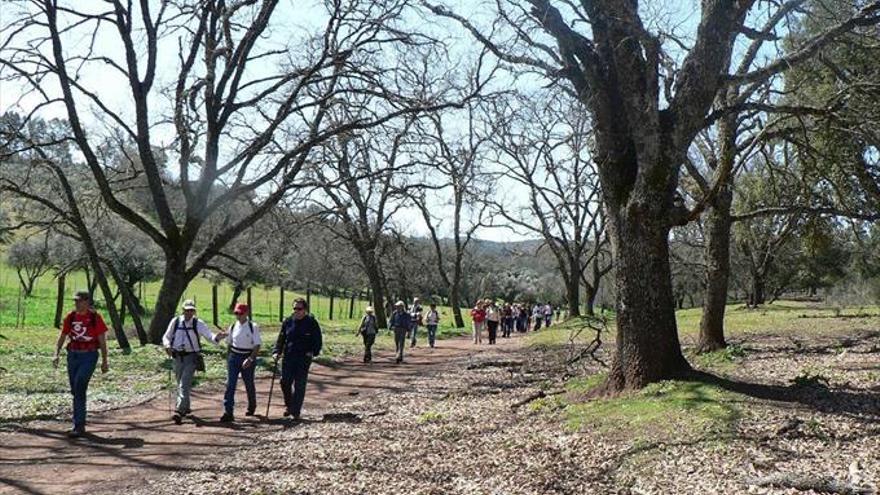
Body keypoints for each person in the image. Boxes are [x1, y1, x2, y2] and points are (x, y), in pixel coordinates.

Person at [52, 291, 109, 437]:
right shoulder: (70, 317)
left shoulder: (95, 318)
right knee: (75, 390)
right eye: (75, 301)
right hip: (73, 355)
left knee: (79, 384)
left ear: (87, 302)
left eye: (80, 301)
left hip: (89, 356)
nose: (77, 303)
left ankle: (79, 425)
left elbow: (102, 341)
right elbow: (63, 336)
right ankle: (79, 422)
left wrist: (104, 361)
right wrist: (56, 354)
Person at [162, 299, 225, 425]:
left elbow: (209, 336)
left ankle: (179, 411)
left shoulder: (198, 323)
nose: (189, 312)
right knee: (180, 382)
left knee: (184, 384)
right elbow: (166, 336)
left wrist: (217, 337)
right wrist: (167, 346)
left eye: (191, 310)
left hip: (191, 357)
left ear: (194, 311)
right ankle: (186, 407)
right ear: (183, 310)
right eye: (186, 310)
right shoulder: (175, 322)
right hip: (177, 356)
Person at [220, 303, 261, 423]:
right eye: (236, 313)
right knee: (230, 384)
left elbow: (257, 345)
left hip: (247, 356)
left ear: (246, 313)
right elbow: (229, 343)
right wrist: (228, 359)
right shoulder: (233, 326)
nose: (238, 315)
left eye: (240, 313)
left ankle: (252, 406)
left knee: (248, 383)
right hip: (234, 356)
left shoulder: (253, 326)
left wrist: (251, 359)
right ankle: (228, 412)